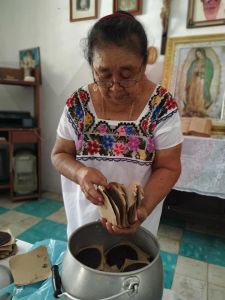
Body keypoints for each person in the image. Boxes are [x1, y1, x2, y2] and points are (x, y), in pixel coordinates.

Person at [51, 11, 183, 238]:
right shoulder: (78, 105)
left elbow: (169, 167)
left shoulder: (162, 107)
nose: (114, 86)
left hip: (137, 223)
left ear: (143, 65)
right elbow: (60, 154)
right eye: (103, 74)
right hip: (84, 222)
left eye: (126, 74)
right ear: (92, 66)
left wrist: (141, 209)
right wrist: (81, 173)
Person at [184, 47, 214, 116]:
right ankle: (192, 107)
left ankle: (200, 107)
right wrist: (194, 70)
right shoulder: (194, 62)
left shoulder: (208, 61)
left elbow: (210, 71)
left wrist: (203, 71)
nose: (199, 56)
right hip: (194, 80)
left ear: (203, 53)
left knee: (200, 93)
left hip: (202, 80)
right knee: (193, 92)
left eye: (200, 54)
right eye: (197, 54)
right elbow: (189, 71)